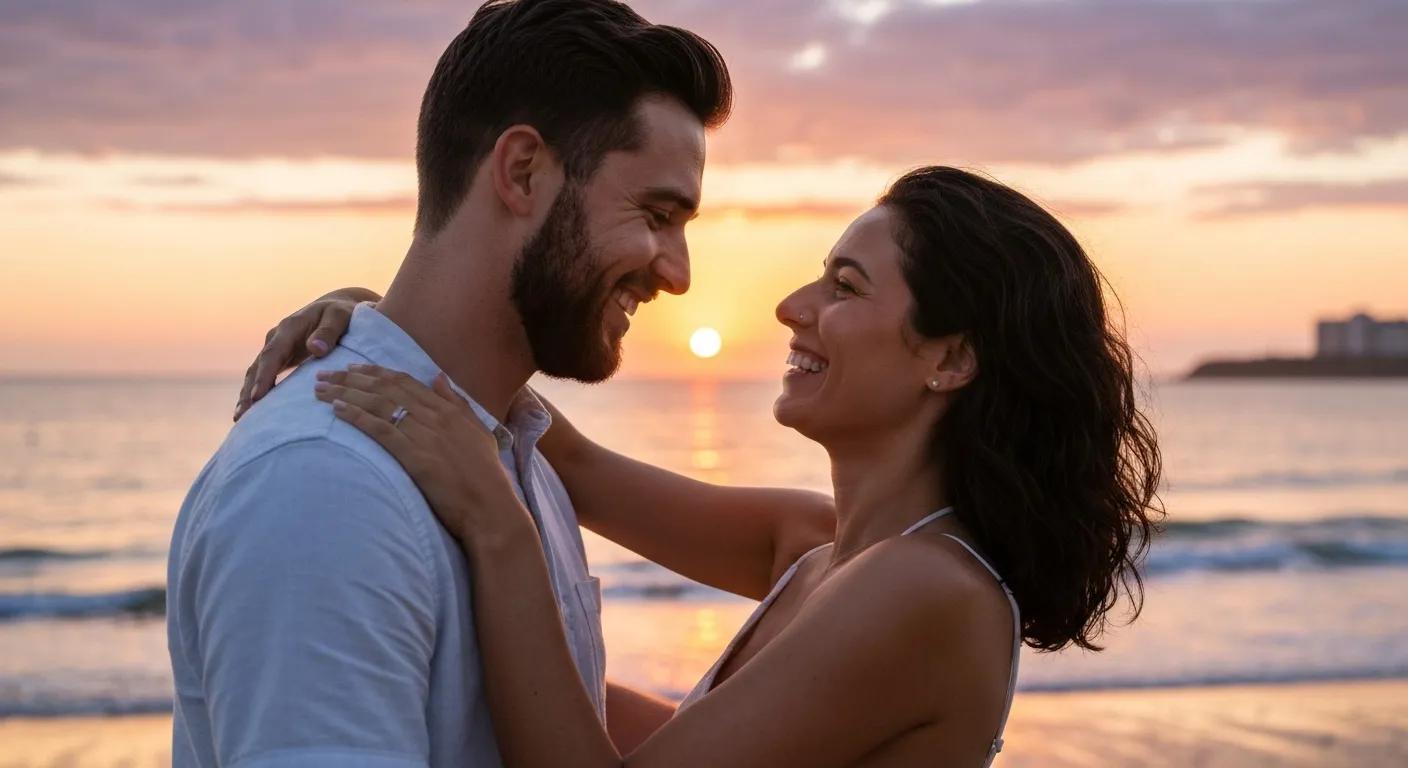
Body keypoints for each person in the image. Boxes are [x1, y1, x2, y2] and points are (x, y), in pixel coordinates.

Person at [246, 166, 1164, 766]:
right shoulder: (817, 547)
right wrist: (393, 325)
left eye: (845, 287)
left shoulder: (929, 591)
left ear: (950, 359)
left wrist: (499, 525)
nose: (792, 306)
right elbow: (578, 467)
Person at [166, 2, 749, 766]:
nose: (677, 273)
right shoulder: (324, 485)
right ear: (522, 171)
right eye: (656, 213)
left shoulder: (517, 467)